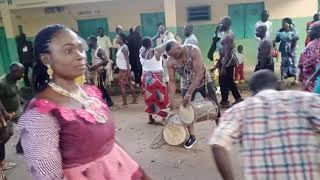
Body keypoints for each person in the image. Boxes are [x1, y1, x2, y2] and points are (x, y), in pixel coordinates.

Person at [18, 24, 151, 180]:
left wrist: (141, 173)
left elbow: (110, 142)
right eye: (68, 50)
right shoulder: (40, 112)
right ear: (46, 59)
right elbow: (48, 176)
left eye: (81, 49)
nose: (80, 55)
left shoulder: (89, 92)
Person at [209, 69, 320, 180]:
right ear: (278, 86)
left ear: (252, 92)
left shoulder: (240, 110)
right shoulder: (305, 100)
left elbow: (217, 144)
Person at [166, 40, 206, 149]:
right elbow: (172, 81)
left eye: (174, 54)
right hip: (186, 82)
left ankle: (220, 129)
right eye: (171, 56)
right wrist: (171, 99)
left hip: (203, 79)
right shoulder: (170, 61)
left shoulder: (193, 50)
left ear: (179, 47)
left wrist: (189, 93)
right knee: (185, 109)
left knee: (214, 105)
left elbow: (199, 74)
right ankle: (192, 136)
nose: (173, 57)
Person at [183, 24, 219, 108]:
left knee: (207, 93)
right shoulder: (188, 39)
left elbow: (189, 56)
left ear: (191, 29)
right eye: (184, 29)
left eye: (186, 29)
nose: (184, 31)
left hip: (197, 70)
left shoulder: (191, 40)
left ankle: (215, 112)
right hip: (194, 70)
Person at [0, 63, 25, 170]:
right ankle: (1, 161)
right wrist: (4, 113)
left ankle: (22, 147)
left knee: (26, 127)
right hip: (8, 113)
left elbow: (15, 91)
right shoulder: (2, 83)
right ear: (14, 72)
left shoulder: (15, 79)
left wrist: (20, 99)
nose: (23, 75)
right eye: (21, 72)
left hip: (17, 109)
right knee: (5, 135)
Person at [140, 37, 168, 125]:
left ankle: (150, 118)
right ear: (151, 43)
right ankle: (163, 118)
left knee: (150, 97)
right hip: (157, 78)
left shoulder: (141, 53)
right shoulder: (156, 52)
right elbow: (165, 53)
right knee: (161, 97)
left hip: (146, 78)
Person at [216, 35, 242, 107]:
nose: (221, 39)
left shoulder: (228, 48)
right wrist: (218, 63)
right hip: (225, 65)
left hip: (228, 65)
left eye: (223, 39)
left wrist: (223, 68)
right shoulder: (222, 48)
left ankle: (225, 100)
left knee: (224, 82)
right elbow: (221, 57)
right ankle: (237, 98)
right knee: (229, 82)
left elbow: (227, 57)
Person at [87, 36, 114, 107]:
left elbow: (106, 60)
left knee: (101, 87)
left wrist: (96, 66)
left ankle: (108, 101)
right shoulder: (93, 50)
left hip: (100, 72)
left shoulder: (99, 50)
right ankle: (106, 101)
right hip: (96, 72)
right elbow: (96, 60)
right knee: (100, 88)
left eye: (89, 41)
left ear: (94, 41)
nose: (88, 43)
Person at [116, 32, 137, 107]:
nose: (116, 39)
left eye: (118, 38)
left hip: (124, 70)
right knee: (129, 84)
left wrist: (128, 71)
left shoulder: (124, 48)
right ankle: (134, 100)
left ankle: (125, 103)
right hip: (124, 69)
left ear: (121, 40)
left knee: (122, 86)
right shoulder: (122, 47)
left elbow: (127, 60)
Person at [276, 18, 299, 83]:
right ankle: (282, 79)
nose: (282, 24)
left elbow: (296, 38)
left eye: (284, 23)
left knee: (293, 63)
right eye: (282, 23)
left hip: (292, 49)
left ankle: (295, 79)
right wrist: (279, 35)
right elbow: (277, 40)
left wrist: (292, 50)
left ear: (288, 24)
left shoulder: (293, 30)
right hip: (284, 50)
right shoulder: (280, 30)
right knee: (283, 63)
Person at [299, 21, 320, 92]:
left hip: (314, 79)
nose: (308, 31)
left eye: (310, 29)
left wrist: (311, 79)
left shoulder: (317, 45)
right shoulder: (312, 43)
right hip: (309, 78)